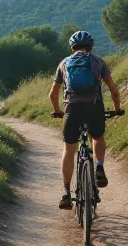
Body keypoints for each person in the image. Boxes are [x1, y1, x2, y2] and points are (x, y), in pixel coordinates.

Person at [49, 30, 122, 210]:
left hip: (71, 109)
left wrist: (58, 111)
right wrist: (117, 109)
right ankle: (98, 166)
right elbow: (113, 89)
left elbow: (53, 94)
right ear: (91, 47)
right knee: (97, 137)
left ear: (71, 47)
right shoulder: (98, 61)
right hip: (94, 107)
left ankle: (66, 193)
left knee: (69, 148)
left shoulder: (64, 63)